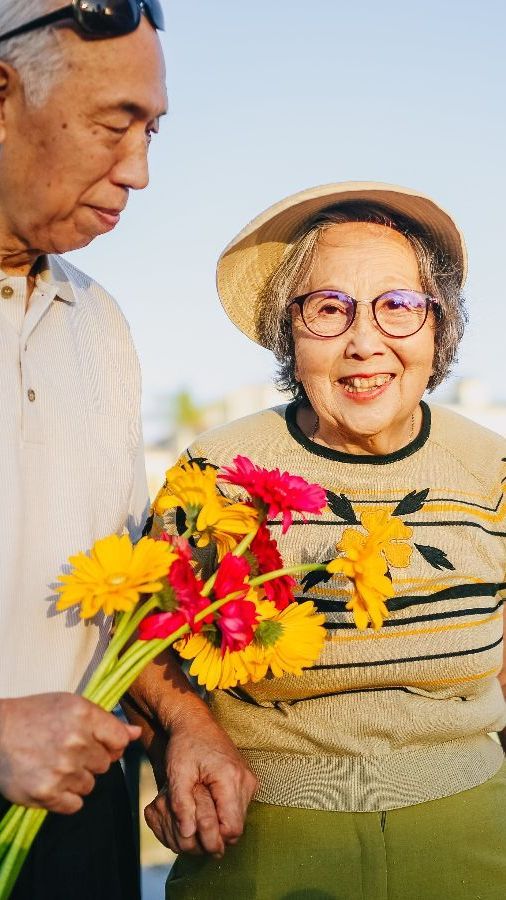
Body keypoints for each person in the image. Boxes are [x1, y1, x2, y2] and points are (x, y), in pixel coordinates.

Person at [143, 182, 506, 899]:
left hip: (472, 836)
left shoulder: (491, 468)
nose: (364, 340)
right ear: (290, 331)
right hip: (259, 841)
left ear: (440, 328)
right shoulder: (217, 472)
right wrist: (183, 733)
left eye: (399, 307)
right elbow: (141, 637)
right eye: (329, 308)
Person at [0, 2, 168, 897]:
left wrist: (191, 728)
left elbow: (126, 591)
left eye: (153, 131)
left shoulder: (99, 321)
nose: (138, 171)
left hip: (86, 826)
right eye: (116, 124)